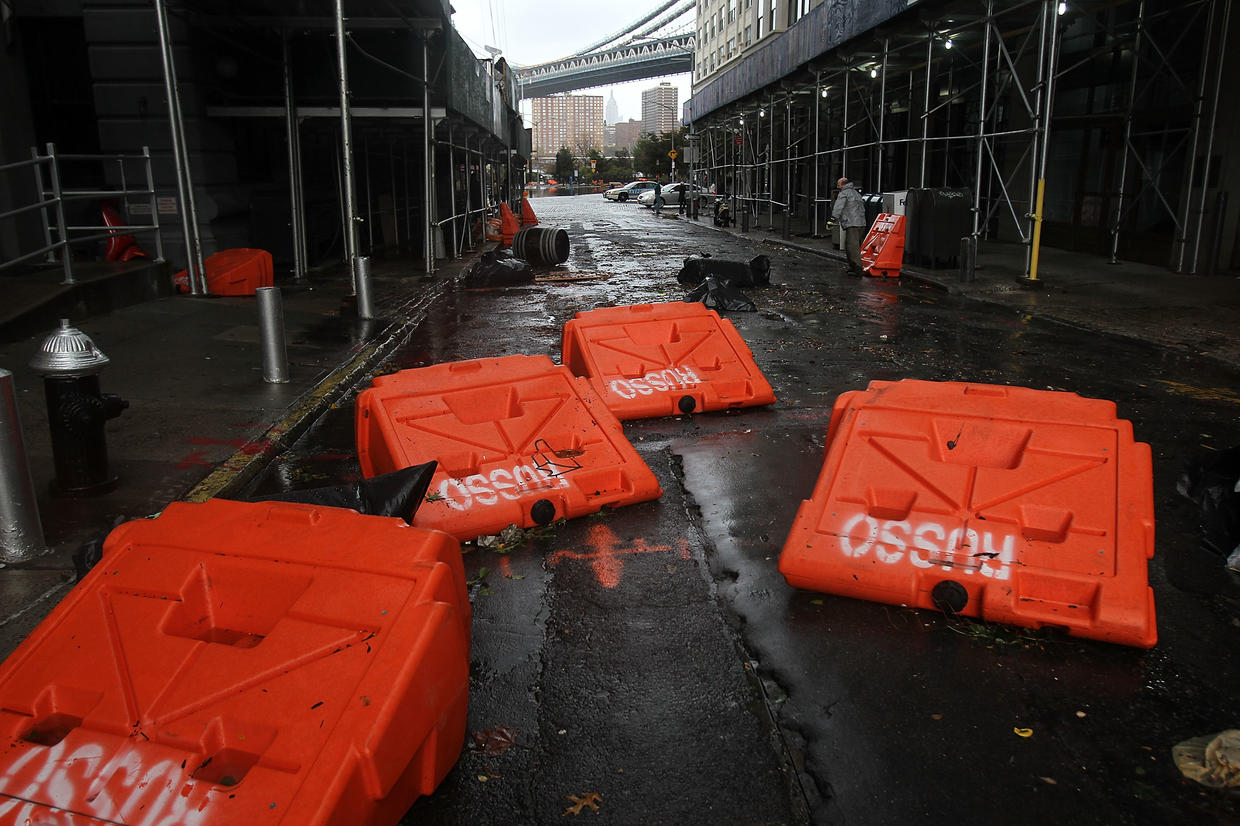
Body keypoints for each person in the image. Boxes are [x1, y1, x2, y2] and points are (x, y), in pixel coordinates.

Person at [831, 177, 867, 277]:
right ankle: (853, 266)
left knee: (852, 246)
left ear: (843, 185)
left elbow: (838, 207)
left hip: (852, 223)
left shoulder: (843, 193)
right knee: (854, 245)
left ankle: (857, 268)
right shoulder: (856, 193)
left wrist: (833, 218)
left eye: (838, 185)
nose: (837, 187)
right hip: (861, 223)